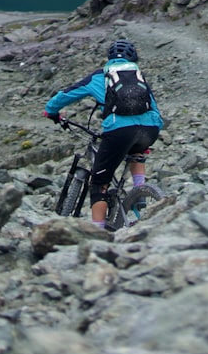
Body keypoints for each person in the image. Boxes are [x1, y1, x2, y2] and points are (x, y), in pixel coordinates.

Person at [44, 40, 164, 229]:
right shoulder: (138, 78)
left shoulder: (100, 76)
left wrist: (51, 111)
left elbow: (66, 95)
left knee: (99, 183)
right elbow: (155, 109)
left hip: (119, 131)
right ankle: (139, 191)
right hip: (150, 129)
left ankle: (98, 233)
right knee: (137, 150)